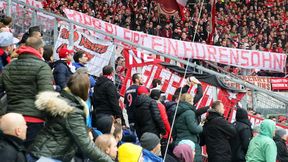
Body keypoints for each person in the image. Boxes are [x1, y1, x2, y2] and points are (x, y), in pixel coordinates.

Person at [28, 72, 113, 162]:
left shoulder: (63, 102)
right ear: (85, 90)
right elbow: (86, 145)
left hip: (41, 152)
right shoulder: (73, 112)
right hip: (50, 157)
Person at [0, 37, 54, 147]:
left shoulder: (9, 66)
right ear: (40, 50)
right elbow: (47, 96)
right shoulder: (43, 67)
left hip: (11, 119)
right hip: (34, 120)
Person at [173, 93, 203, 162]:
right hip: (190, 142)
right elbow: (194, 129)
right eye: (192, 101)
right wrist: (200, 127)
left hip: (179, 140)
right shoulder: (189, 112)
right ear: (190, 101)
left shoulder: (178, 110)